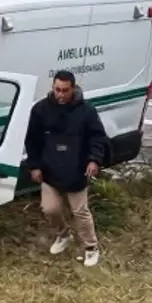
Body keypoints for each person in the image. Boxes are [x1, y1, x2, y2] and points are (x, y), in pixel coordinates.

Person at [24, 70, 107, 267]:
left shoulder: (86, 111)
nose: (61, 94)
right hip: (50, 169)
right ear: (52, 88)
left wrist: (94, 160)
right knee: (50, 209)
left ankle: (91, 247)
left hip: (76, 169)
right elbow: (32, 140)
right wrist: (34, 166)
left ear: (73, 88)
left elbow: (97, 137)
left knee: (80, 211)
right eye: (57, 90)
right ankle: (63, 235)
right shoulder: (41, 109)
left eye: (65, 90)